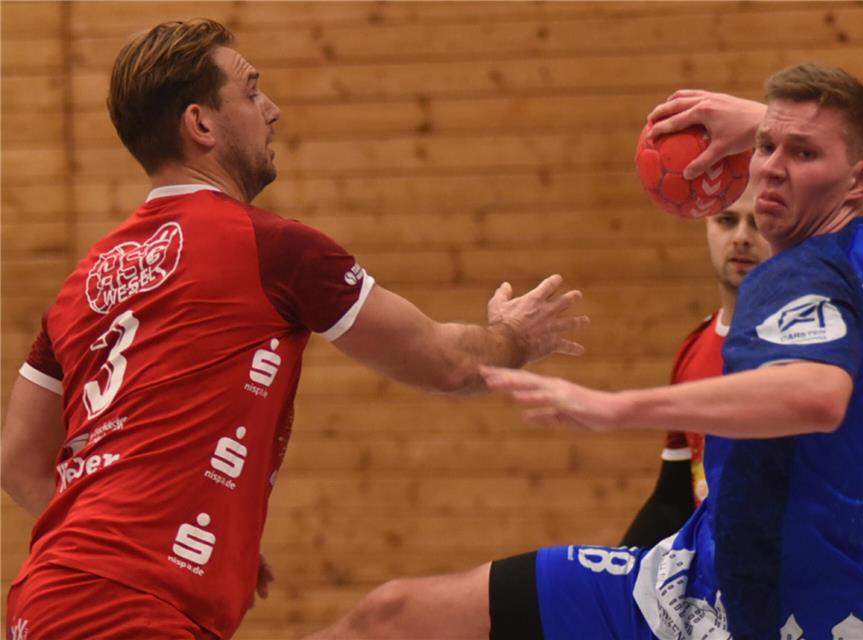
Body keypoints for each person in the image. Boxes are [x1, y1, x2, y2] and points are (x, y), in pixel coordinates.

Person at [308, 64, 863, 640]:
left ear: (857, 180)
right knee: (394, 615)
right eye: (766, 148)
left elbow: (815, 394)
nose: (772, 168)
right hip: (701, 582)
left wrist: (616, 406)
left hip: (753, 615)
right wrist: (759, 118)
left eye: (802, 153)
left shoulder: (791, 279)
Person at [1, 19, 588, 640]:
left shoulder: (84, 281)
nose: (271, 110)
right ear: (201, 124)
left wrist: (160, 534)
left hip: (45, 599)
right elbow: (445, 362)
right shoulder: (270, 250)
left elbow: (18, 463)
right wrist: (515, 336)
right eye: (251, 91)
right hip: (130, 613)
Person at [620, 182, 772, 549]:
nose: (741, 238)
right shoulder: (695, 347)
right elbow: (673, 498)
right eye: (726, 220)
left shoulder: (811, 344)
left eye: (758, 223)